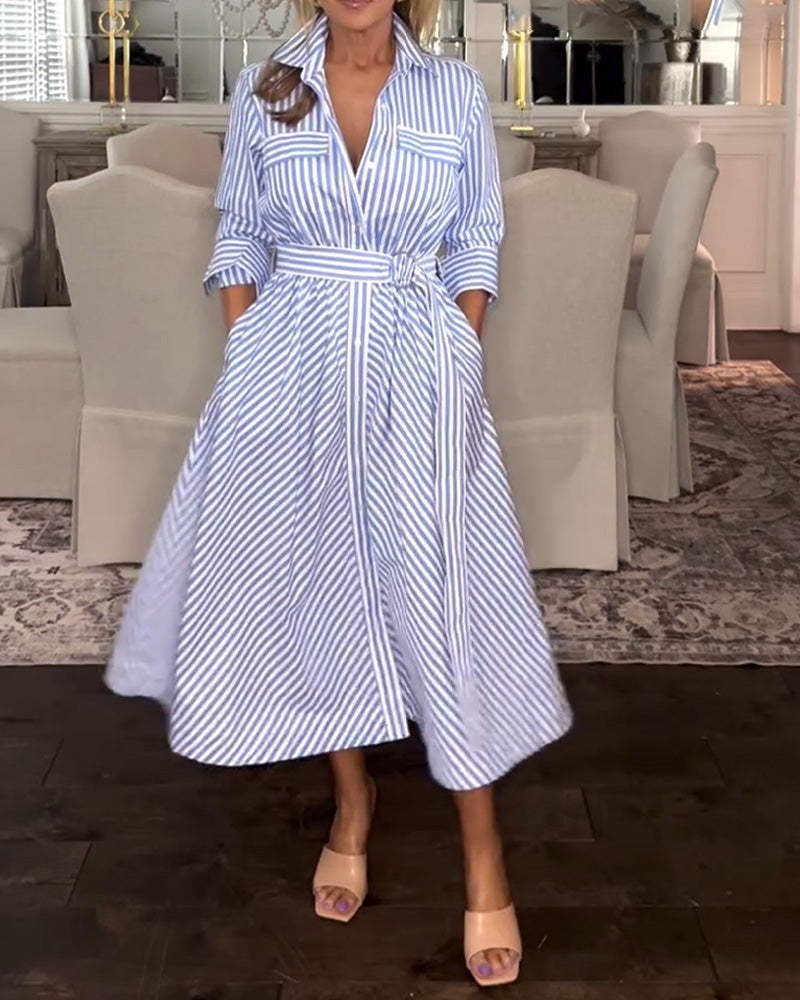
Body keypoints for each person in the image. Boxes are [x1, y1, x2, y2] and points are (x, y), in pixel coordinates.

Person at [106, 0, 572, 986]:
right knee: (321, 587)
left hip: (417, 368)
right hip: (290, 370)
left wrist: (458, 355)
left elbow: (475, 239)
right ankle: (353, 801)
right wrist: (247, 351)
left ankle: (482, 852)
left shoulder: (451, 93)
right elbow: (240, 235)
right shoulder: (266, 89)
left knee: (443, 602)